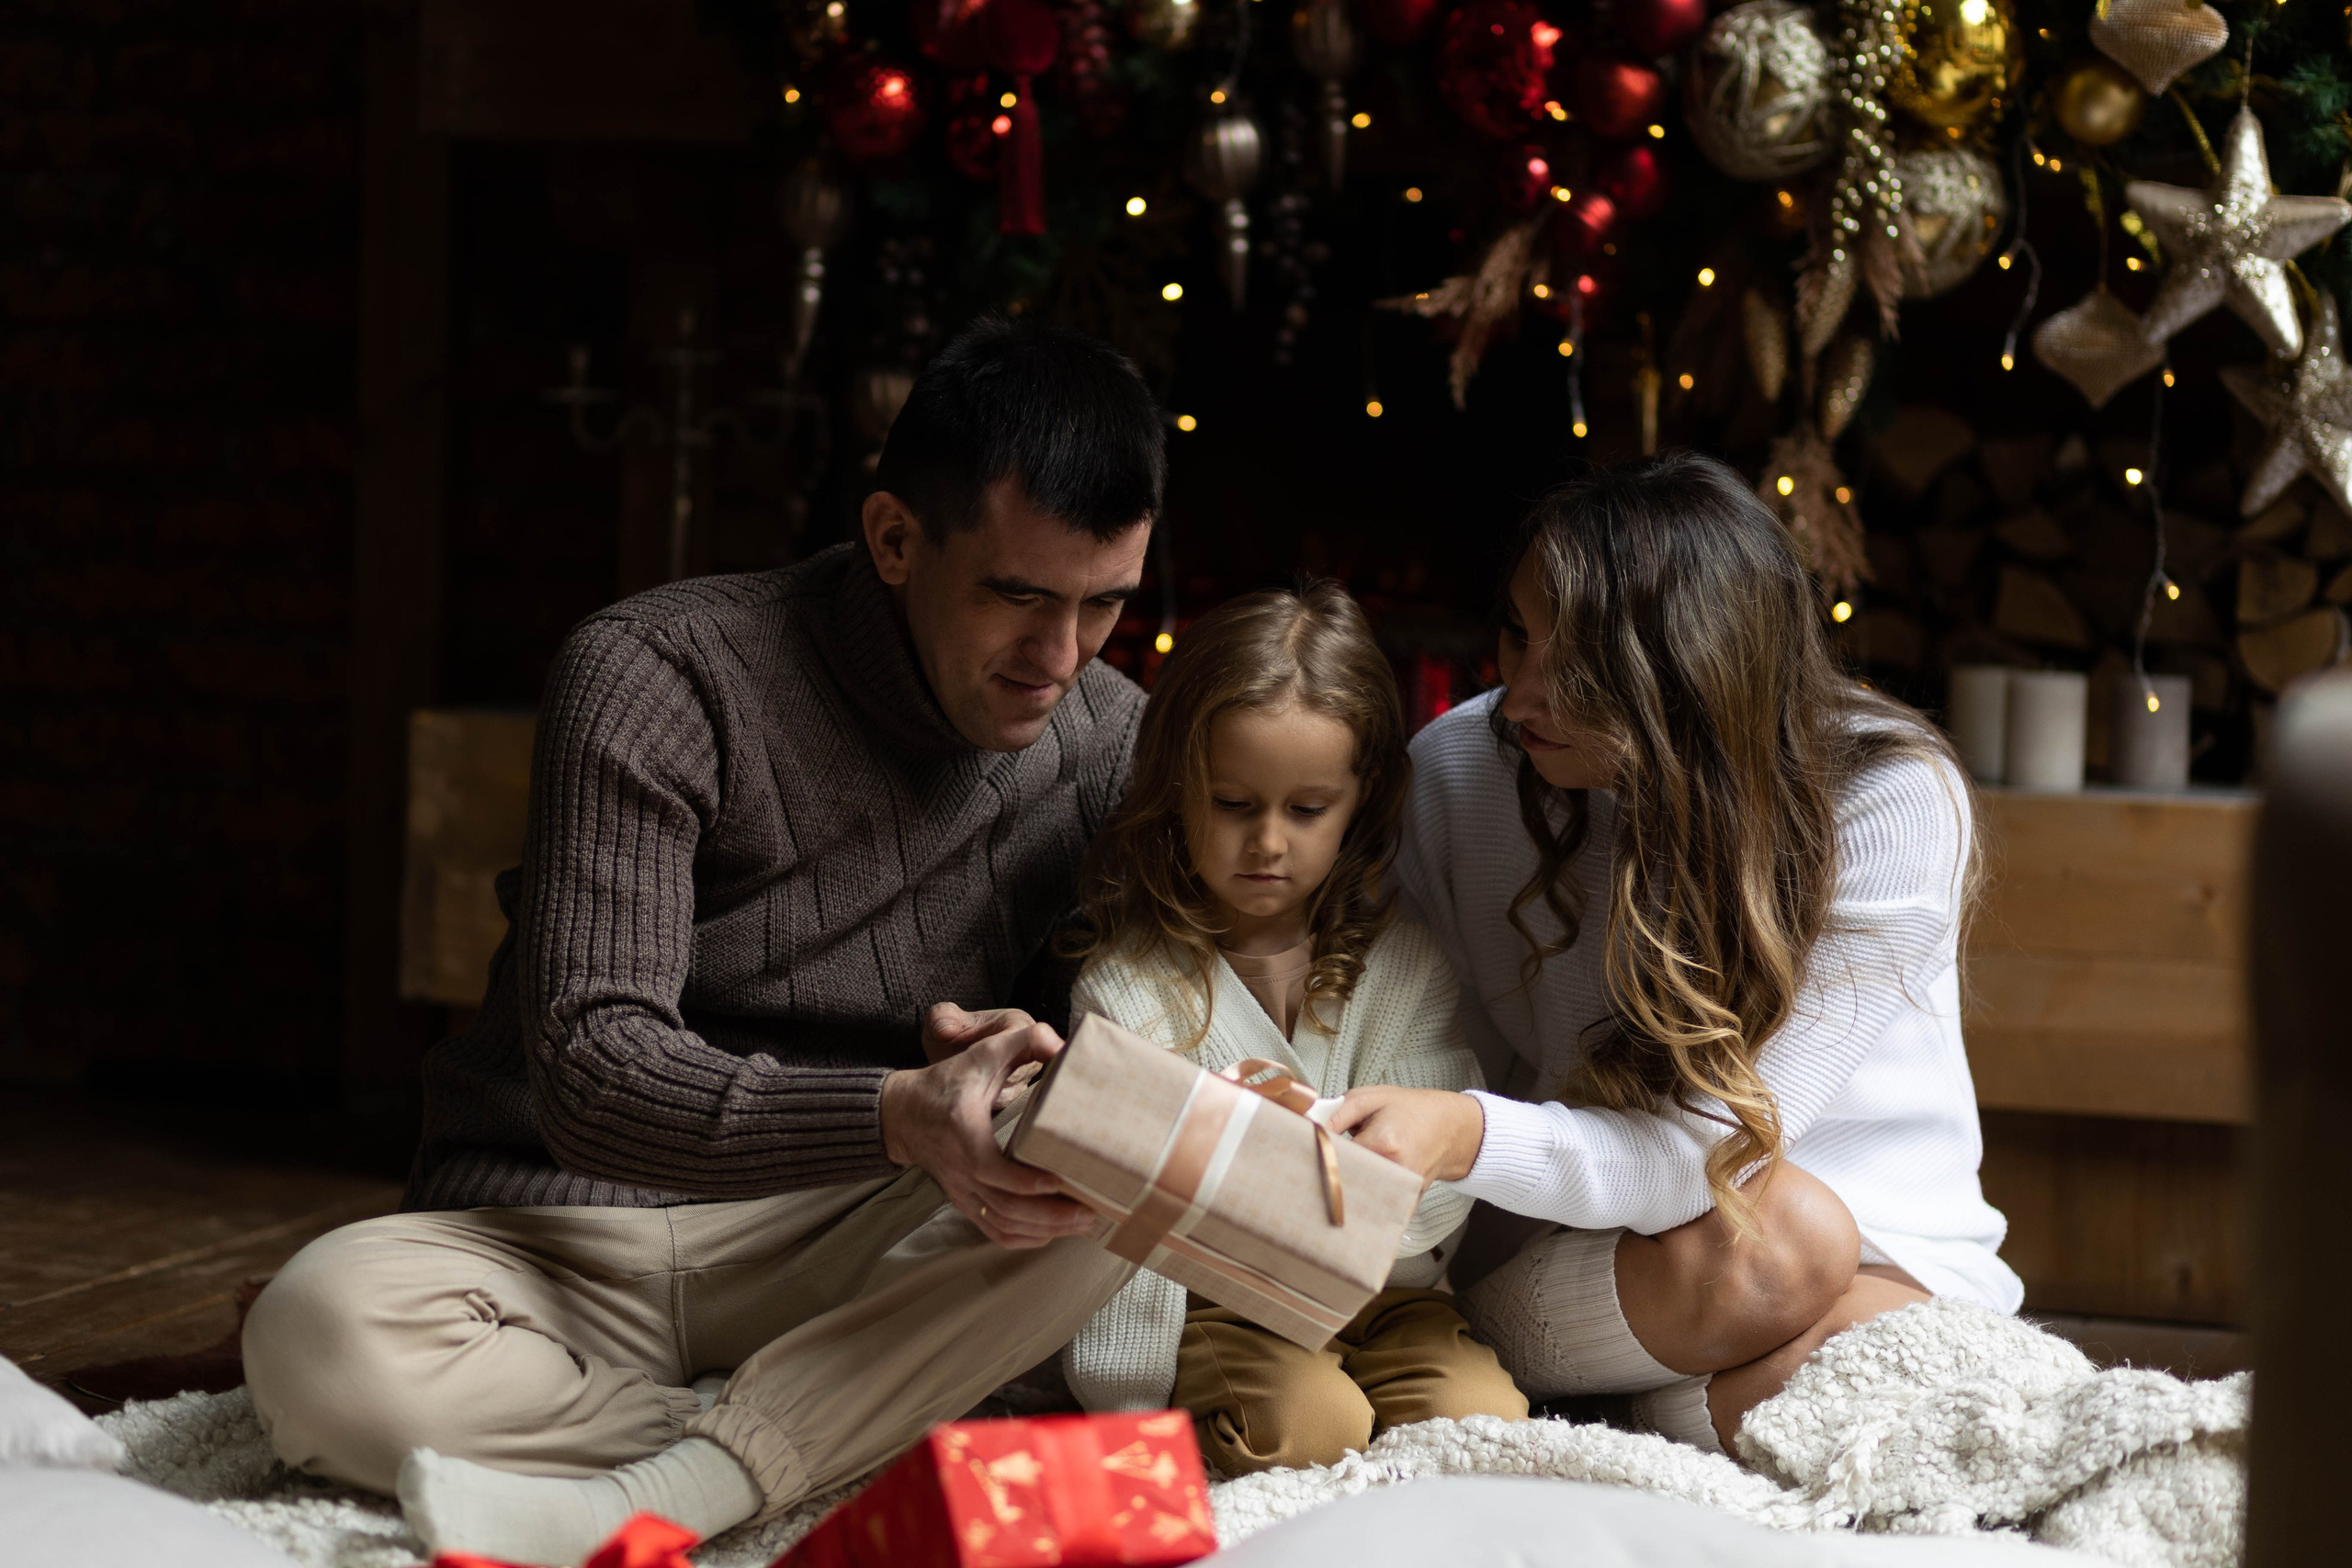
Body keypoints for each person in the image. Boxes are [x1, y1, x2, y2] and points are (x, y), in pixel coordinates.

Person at [239, 318, 1167, 1565]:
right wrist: (899, 1108)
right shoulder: (658, 672)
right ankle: (805, 1440)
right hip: (569, 1236)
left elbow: (1091, 1071)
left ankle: (686, 1474)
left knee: (1127, 1173)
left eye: (1103, 604)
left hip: (851, 1238)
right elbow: (592, 1066)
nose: (1058, 659)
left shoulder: (1112, 741)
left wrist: (1040, 1072)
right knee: (315, 1336)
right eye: (1018, 596)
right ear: (895, 538)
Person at [1331, 451, 2019, 1455]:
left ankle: (1616, 1423)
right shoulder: (1461, 769)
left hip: (1866, 1245)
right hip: (1617, 1261)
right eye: (1515, 637)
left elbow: (1708, 1156)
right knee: (1782, 1250)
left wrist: (1464, 1133)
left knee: (1878, 1335)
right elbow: (1425, 1052)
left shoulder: (1885, 797)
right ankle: (1610, 1400)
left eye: (1573, 668)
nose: (1518, 697)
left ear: (1688, 672)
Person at [1054, 584, 1528, 1474]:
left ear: (1361, 800)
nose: (1268, 842)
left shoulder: (1407, 964)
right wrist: (1120, 1401)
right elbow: (1117, 1216)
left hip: (1390, 1297)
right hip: (1218, 1306)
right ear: (1178, 789)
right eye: (1234, 804)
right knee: (1312, 1425)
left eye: (1306, 810)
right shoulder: (1127, 990)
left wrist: (1274, 1161)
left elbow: (1428, 1201)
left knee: (1483, 1419)